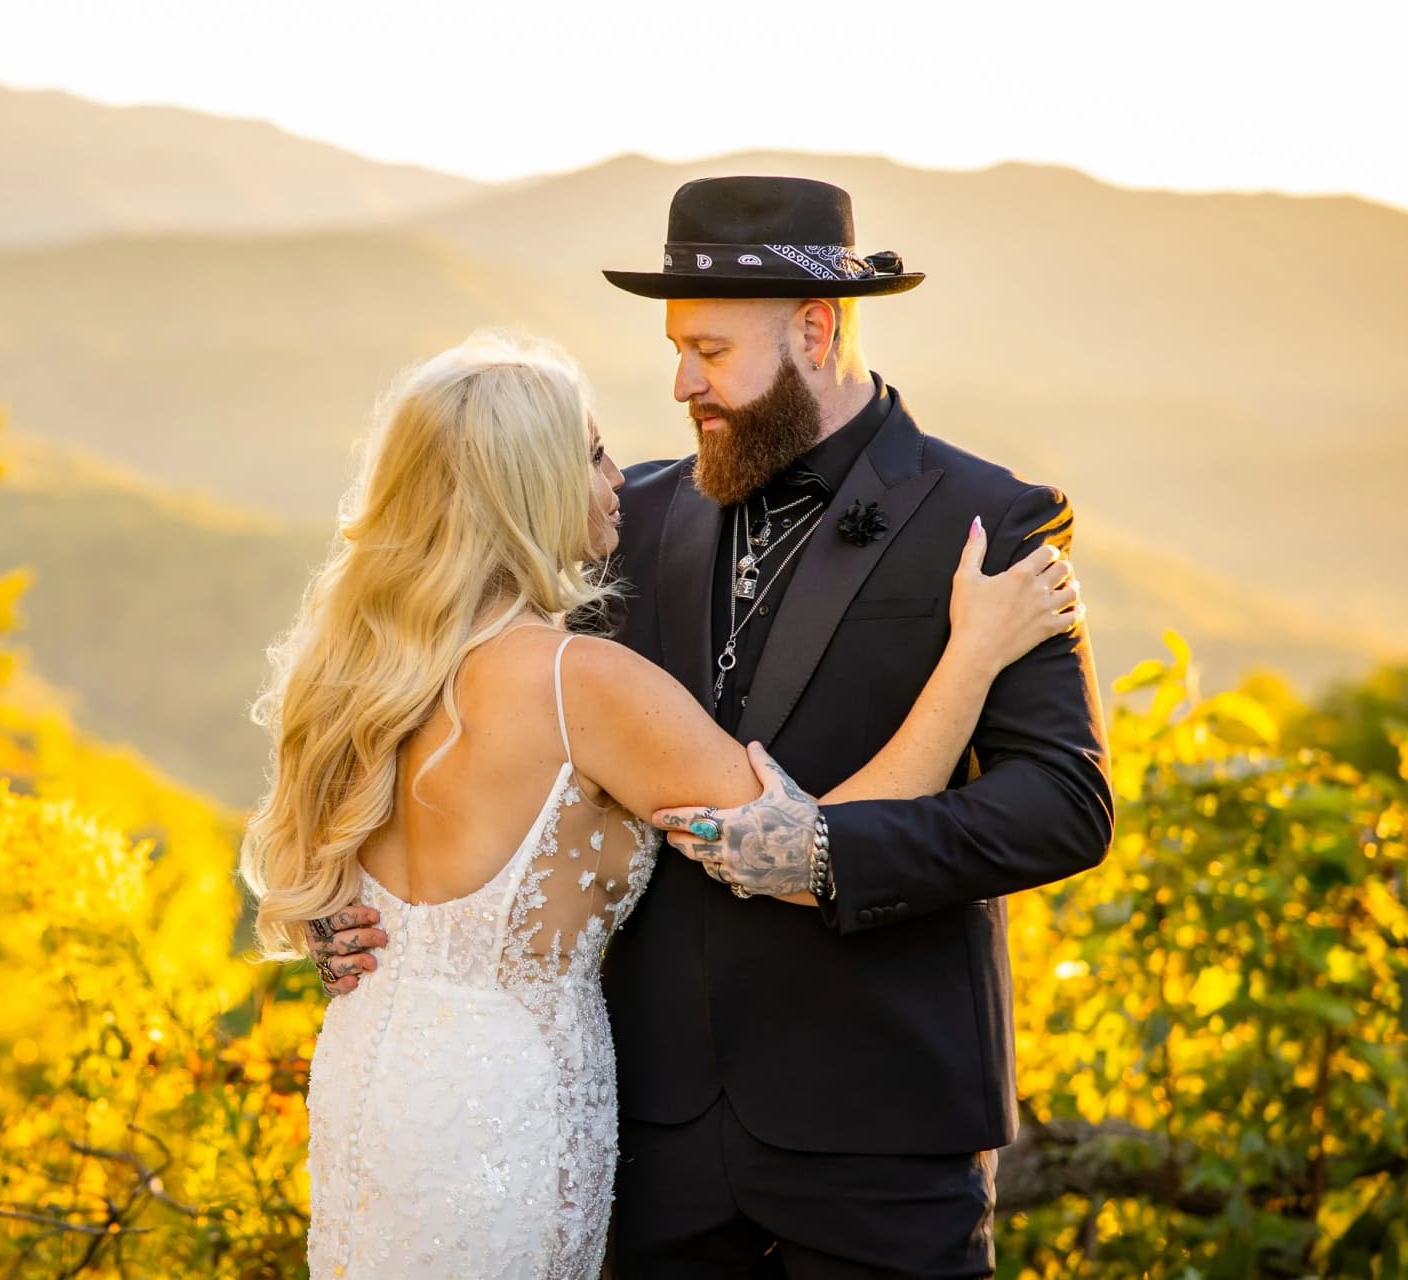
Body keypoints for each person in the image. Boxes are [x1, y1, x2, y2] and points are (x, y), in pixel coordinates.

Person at [241, 327, 1084, 1279]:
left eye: (707, 347)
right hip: (523, 1110)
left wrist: (331, 924)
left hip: (382, 1089)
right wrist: (969, 656)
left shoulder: (355, 675)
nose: (625, 473)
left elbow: (322, 874)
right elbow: (799, 841)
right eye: (592, 451)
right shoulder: (584, 682)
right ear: (530, 487)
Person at [590, 175, 1117, 1277]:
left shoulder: (990, 521)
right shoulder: (629, 512)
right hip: (653, 1138)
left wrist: (833, 855)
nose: (682, 382)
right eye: (678, 347)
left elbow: (1064, 804)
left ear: (818, 330)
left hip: (885, 1134)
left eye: (712, 351)